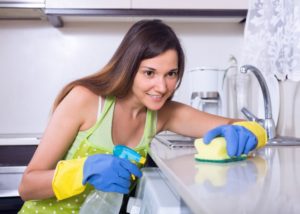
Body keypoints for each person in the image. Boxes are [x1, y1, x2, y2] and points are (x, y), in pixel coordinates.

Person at [18, 19, 267, 213]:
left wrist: (251, 133)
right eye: (149, 73)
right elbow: (27, 187)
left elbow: (244, 126)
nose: (162, 86)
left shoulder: (162, 114)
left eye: (171, 74)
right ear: (128, 67)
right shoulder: (85, 99)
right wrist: (84, 170)